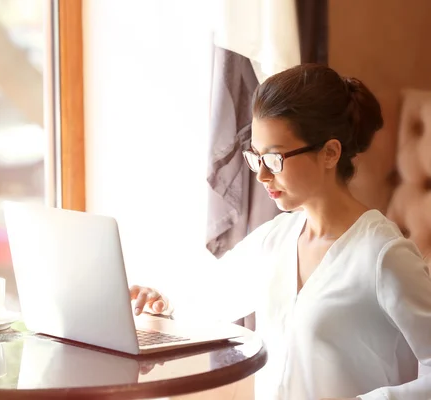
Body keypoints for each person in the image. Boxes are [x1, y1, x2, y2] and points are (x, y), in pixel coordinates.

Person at [129, 64, 431, 400]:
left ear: (330, 152)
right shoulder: (276, 238)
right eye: (256, 157)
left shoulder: (382, 255)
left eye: (274, 159)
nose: (262, 175)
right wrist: (160, 301)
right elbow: (208, 300)